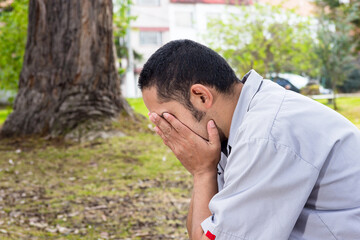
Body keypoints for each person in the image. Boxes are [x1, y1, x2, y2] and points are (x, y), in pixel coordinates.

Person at [138, 39, 360, 240]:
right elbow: (206, 229)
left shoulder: (264, 135)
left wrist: (202, 172)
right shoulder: (236, 124)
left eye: (167, 117)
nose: (166, 130)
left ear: (202, 96)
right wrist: (203, 170)